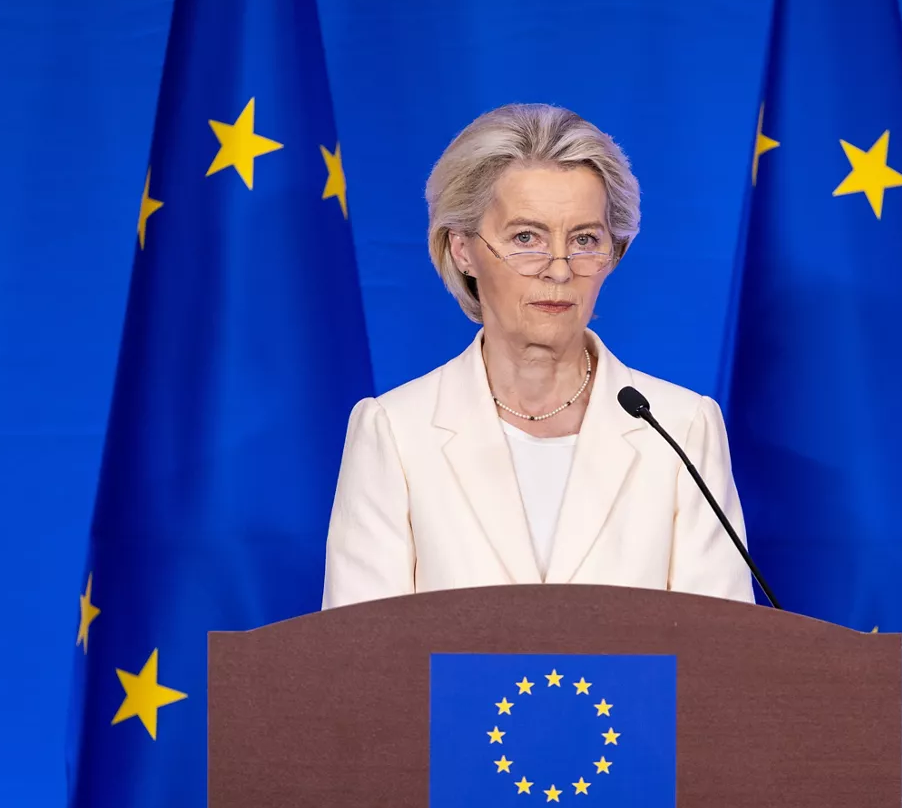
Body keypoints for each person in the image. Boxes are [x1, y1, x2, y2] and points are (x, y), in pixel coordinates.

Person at [321, 103, 754, 609]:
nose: (559, 268)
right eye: (526, 237)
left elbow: (722, 659)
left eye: (585, 239)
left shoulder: (681, 428)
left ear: (613, 255)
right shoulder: (395, 432)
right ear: (462, 249)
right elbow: (360, 661)